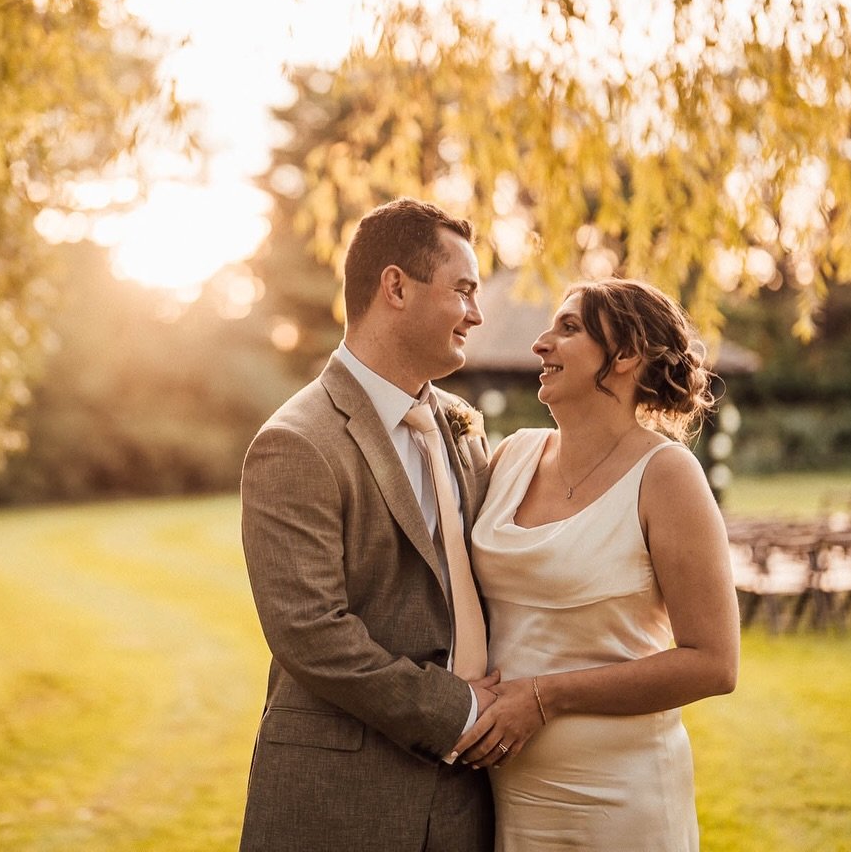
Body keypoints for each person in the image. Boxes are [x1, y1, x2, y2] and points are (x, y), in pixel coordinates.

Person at [239, 198, 499, 852]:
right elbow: (311, 633)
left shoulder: (461, 426)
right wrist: (459, 711)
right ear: (396, 287)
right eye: (463, 290)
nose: (477, 313)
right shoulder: (297, 442)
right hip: (343, 799)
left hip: (468, 801)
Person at [456, 278, 739, 851]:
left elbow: (714, 663)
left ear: (627, 354)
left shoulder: (667, 476)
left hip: (621, 796)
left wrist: (544, 696)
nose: (540, 343)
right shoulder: (512, 455)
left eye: (568, 328)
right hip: (507, 793)